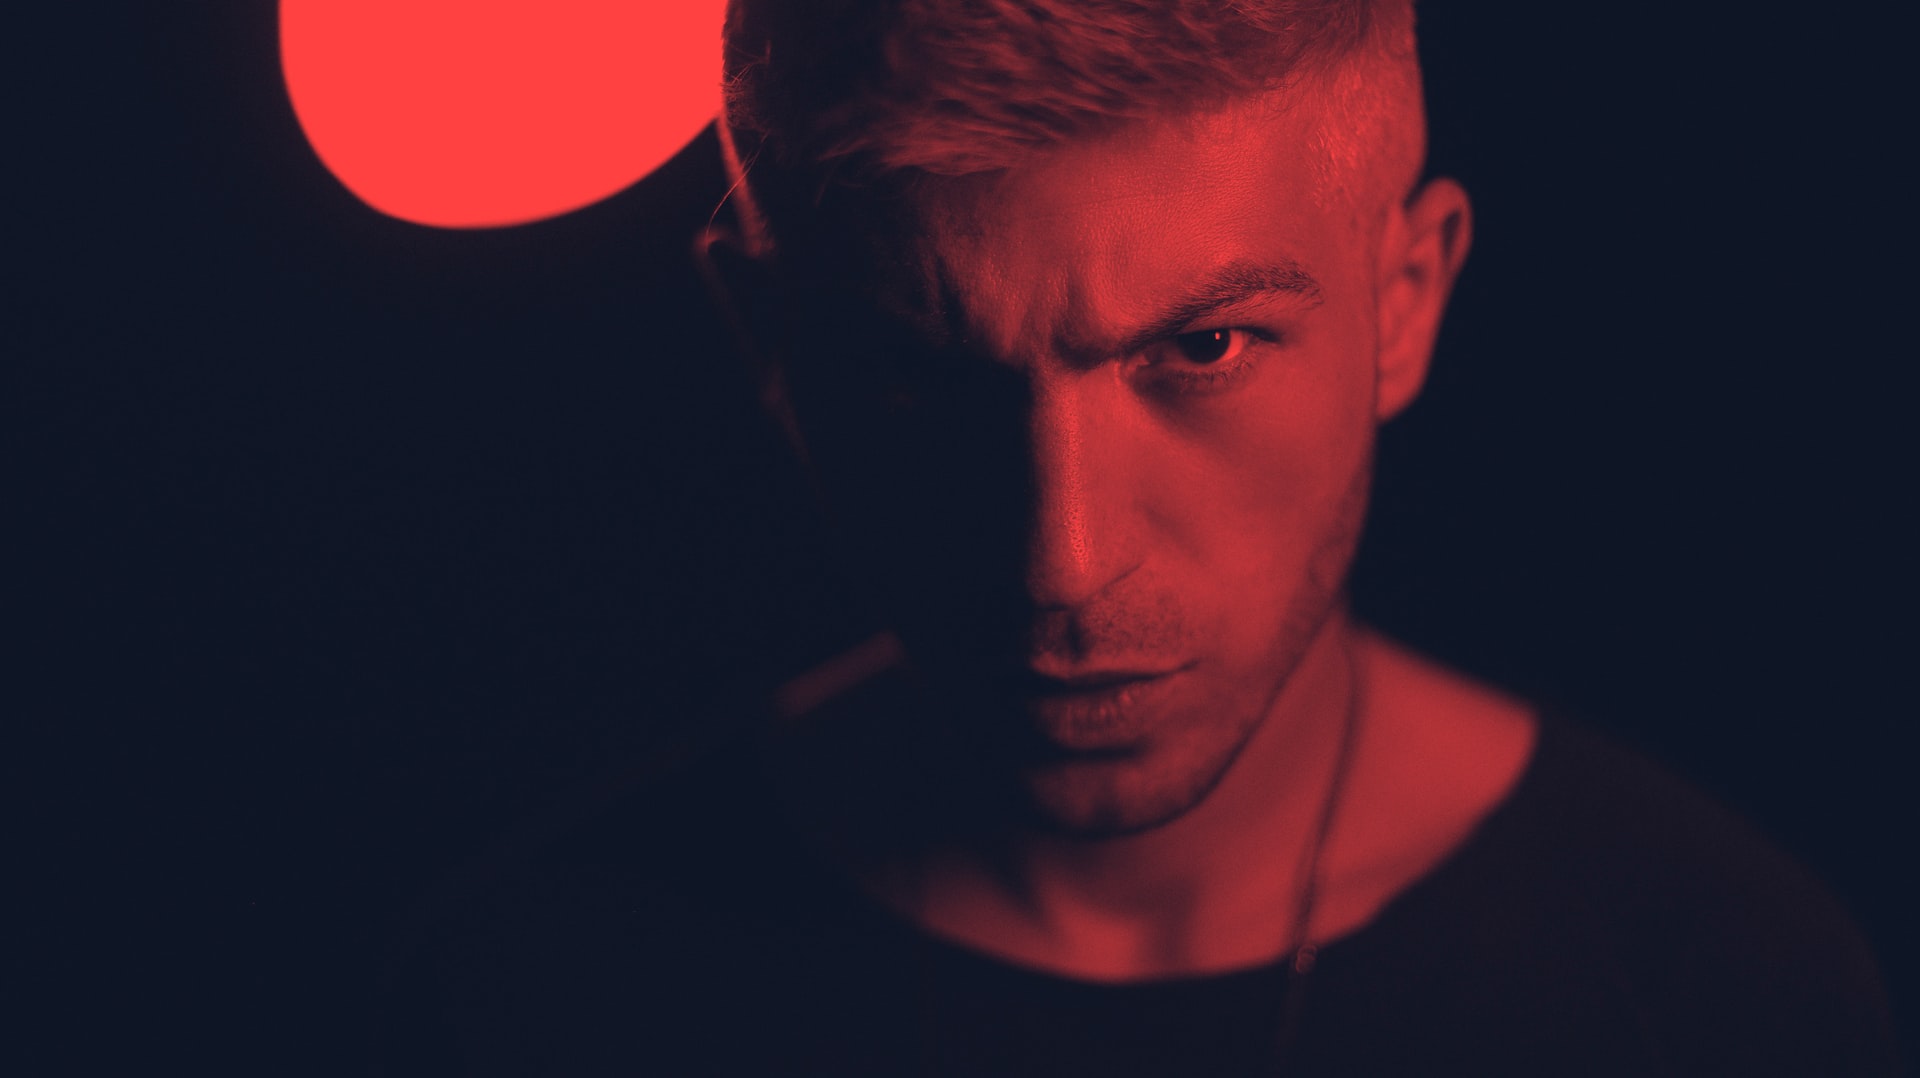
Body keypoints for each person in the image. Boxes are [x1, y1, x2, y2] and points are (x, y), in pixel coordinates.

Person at [377, 1, 1900, 1073]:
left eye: (1204, 347)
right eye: (918, 372)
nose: (1063, 560)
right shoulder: (530, 998)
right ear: (766, 344)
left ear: (1407, 299)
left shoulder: (1716, 993)